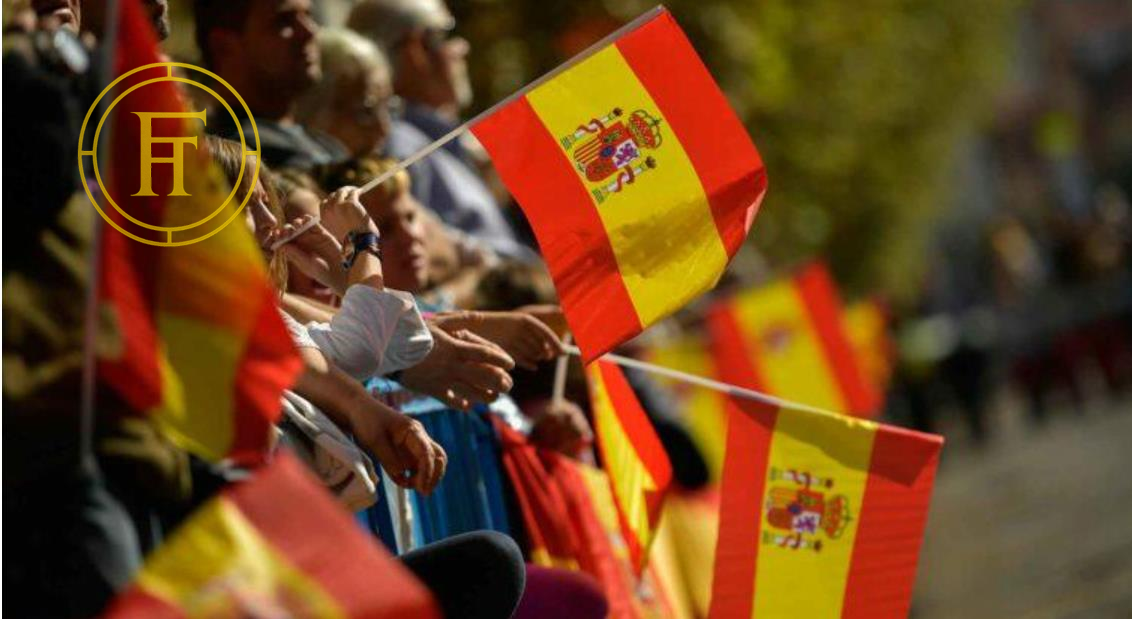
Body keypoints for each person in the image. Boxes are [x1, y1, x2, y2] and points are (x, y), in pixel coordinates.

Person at [347, 0, 538, 261]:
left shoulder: (436, 144)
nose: (462, 47)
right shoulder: (401, 151)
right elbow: (436, 263)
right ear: (416, 50)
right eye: (447, 34)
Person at [193, 0, 348, 170]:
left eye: (308, 15)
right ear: (223, 47)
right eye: (283, 21)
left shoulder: (325, 144)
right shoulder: (234, 158)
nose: (309, 31)